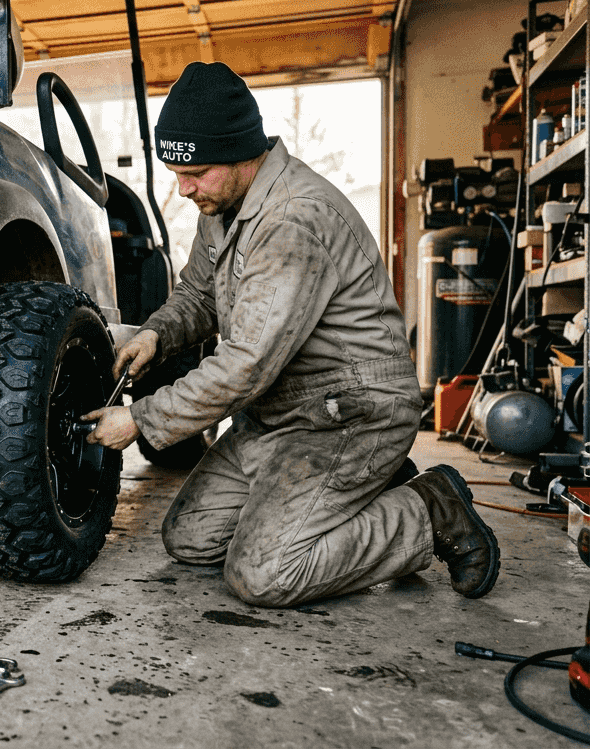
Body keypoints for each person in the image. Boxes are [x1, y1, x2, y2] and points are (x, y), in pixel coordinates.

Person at [82, 62, 500, 608]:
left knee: (265, 575)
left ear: (241, 152)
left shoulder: (294, 220)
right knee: (190, 538)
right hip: (282, 413)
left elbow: (246, 364)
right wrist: (157, 334)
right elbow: (200, 293)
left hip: (351, 412)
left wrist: (141, 419)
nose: (183, 189)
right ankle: (351, 494)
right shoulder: (224, 205)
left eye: (197, 172)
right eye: (176, 173)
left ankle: (427, 509)